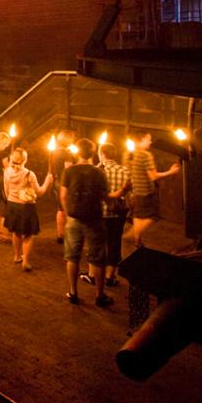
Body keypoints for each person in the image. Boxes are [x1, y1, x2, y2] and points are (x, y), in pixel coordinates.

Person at [60, 139, 114, 307]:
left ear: (77, 152)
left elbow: (63, 195)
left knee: (72, 257)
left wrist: (69, 214)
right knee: (98, 258)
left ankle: (73, 293)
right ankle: (99, 295)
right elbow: (106, 197)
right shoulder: (99, 173)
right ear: (93, 152)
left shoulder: (69, 172)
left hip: (74, 218)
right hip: (94, 218)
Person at [125, 130, 180, 249]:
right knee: (154, 216)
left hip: (136, 191)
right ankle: (131, 235)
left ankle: (137, 241)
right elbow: (153, 176)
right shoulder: (146, 155)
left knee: (138, 216)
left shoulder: (133, 154)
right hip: (145, 192)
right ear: (142, 139)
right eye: (148, 139)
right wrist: (171, 172)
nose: (150, 141)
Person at [3, 148, 54, 272]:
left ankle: (17, 256)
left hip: (12, 204)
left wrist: (12, 198)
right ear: (25, 159)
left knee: (16, 231)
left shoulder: (7, 171)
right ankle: (25, 260)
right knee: (29, 234)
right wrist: (47, 182)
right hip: (26, 206)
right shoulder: (29, 174)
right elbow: (40, 192)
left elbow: (6, 190)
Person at [92, 142, 131, 287]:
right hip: (117, 214)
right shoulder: (125, 170)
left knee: (98, 245)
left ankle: (95, 275)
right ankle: (110, 276)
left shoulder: (95, 171)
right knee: (115, 243)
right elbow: (130, 191)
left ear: (102, 154)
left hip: (99, 213)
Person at [52, 129, 77, 244]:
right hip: (65, 184)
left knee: (60, 209)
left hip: (57, 181)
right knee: (68, 209)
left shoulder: (55, 152)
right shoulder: (67, 154)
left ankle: (60, 234)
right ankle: (70, 234)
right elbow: (68, 170)